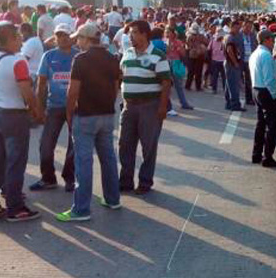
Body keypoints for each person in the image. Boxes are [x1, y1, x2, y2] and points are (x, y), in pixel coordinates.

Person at [0, 22, 42, 222]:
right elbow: (27, 93)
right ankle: (15, 208)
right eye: (19, 38)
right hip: (14, 116)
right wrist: (37, 111)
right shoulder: (17, 62)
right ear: (11, 39)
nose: (21, 42)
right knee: (15, 163)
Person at [57, 23, 121, 222]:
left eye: (79, 38)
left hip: (85, 115)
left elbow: (73, 91)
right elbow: (116, 87)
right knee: (108, 158)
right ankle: (112, 198)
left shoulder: (81, 59)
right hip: (106, 114)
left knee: (83, 162)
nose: (77, 42)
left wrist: (69, 113)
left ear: (86, 39)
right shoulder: (112, 58)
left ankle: (81, 209)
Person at [118, 20, 171, 195]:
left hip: (150, 106)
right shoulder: (127, 53)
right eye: (130, 33)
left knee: (148, 146)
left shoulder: (158, 55)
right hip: (129, 106)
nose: (130, 36)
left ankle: (145, 181)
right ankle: (125, 181)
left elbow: (166, 82)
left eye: (134, 32)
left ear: (144, 34)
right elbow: (121, 75)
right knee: (124, 145)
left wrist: (162, 107)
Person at [29, 23, 79, 192]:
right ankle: (48, 178)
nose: (62, 38)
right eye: (59, 35)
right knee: (46, 145)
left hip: (75, 108)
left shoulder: (79, 56)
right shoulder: (49, 56)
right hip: (54, 107)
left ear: (72, 37)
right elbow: (41, 84)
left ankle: (70, 178)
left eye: (65, 35)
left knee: (74, 145)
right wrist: (39, 108)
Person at [249, 30, 276, 168]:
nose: (273, 42)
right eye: (271, 39)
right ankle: (267, 157)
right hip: (265, 91)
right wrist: (275, 96)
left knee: (261, 124)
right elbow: (270, 79)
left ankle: (257, 154)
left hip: (256, 89)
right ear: (266, 40)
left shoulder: (255, 53)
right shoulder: (266, 55)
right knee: (272, 126)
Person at [165, 27, 193, 110]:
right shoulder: (164, 42)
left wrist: (179, 48)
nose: (167, 34)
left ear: (173, 33)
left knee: (178, 85)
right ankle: (167, 105)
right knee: (166, 86)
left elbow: (183, 53)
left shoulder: (178, 42)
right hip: (166, 63)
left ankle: (184, 103)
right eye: (166, 32)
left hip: (175, 63)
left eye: (168, 32)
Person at [225, 20, 246, 111]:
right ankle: (235, 105)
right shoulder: (230, 37)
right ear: (232, 27)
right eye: (236, 28)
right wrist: (235, 63)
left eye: (239, 28)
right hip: (232, 64)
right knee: (234, 85)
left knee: (229, 84)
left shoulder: (232, 36)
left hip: (231, 63)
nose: (238, 30)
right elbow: (229, 50)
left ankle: (229, 104)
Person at [185, 23, 208, 91]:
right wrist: (200, 47)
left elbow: (188, 46)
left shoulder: (190, 36)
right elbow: (207, 42)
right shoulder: (198, 36)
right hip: (197, 55)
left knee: (192, 71)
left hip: (194, 55)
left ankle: (189, 86)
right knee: (196, 71)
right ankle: (196, 87)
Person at [241, 20, 258, 105]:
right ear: (243, 26)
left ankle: (249, 99)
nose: (248, 29)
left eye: (250, 27)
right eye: (247, 27)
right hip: (240, 60)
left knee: (249, 81)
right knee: (237, 81)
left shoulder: (253, 35)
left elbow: (255, 46)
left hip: (249, 61)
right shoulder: (239, 35)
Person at [208, 28, 226, 94]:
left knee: (219, 76)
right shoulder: (223, 41)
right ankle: (218, 89)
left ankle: (216, 89)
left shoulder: (214, 41)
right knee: (218, 76)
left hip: (218, 60)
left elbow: (209, 49)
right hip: (218, 60)